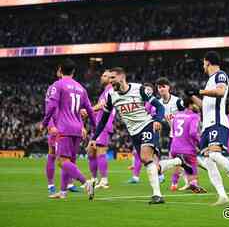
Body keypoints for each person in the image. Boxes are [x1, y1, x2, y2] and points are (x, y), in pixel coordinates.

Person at [88, 67, 193, 204]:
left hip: (147, 126)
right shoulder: (111, 96)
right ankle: (178, 161)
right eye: (109, 78)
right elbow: (103, 120)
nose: (110, 81)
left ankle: (157, 195)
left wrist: (157, 120)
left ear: (122, 77)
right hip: (133, 133)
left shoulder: (139, 89)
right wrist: (94, 138)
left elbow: (159, 107)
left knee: (145, 157)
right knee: (153, 166)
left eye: (112, 78)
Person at [186, 51, 229, 206]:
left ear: (207, 62)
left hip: (217, 122)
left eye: (203, 63)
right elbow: (205, 106)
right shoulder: (209, 81)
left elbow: (221, 92)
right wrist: (192, 96)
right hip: (207, 125)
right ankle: (222, 195)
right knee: (207, 161)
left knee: (214, 156)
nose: (203, 66)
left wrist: (200, 91)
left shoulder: (220, 75)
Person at [41, 58, 96, 199]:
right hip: (78, 129)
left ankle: (86, 182)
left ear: (60, 69)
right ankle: (63, 192)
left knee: (61, 161)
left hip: (64, 128)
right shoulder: (81, 88)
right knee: (69, 161)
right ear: (74, 71)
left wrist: (45, 122)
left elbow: (52, 106)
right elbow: (89, 109)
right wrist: (95, 127)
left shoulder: (57, 85)